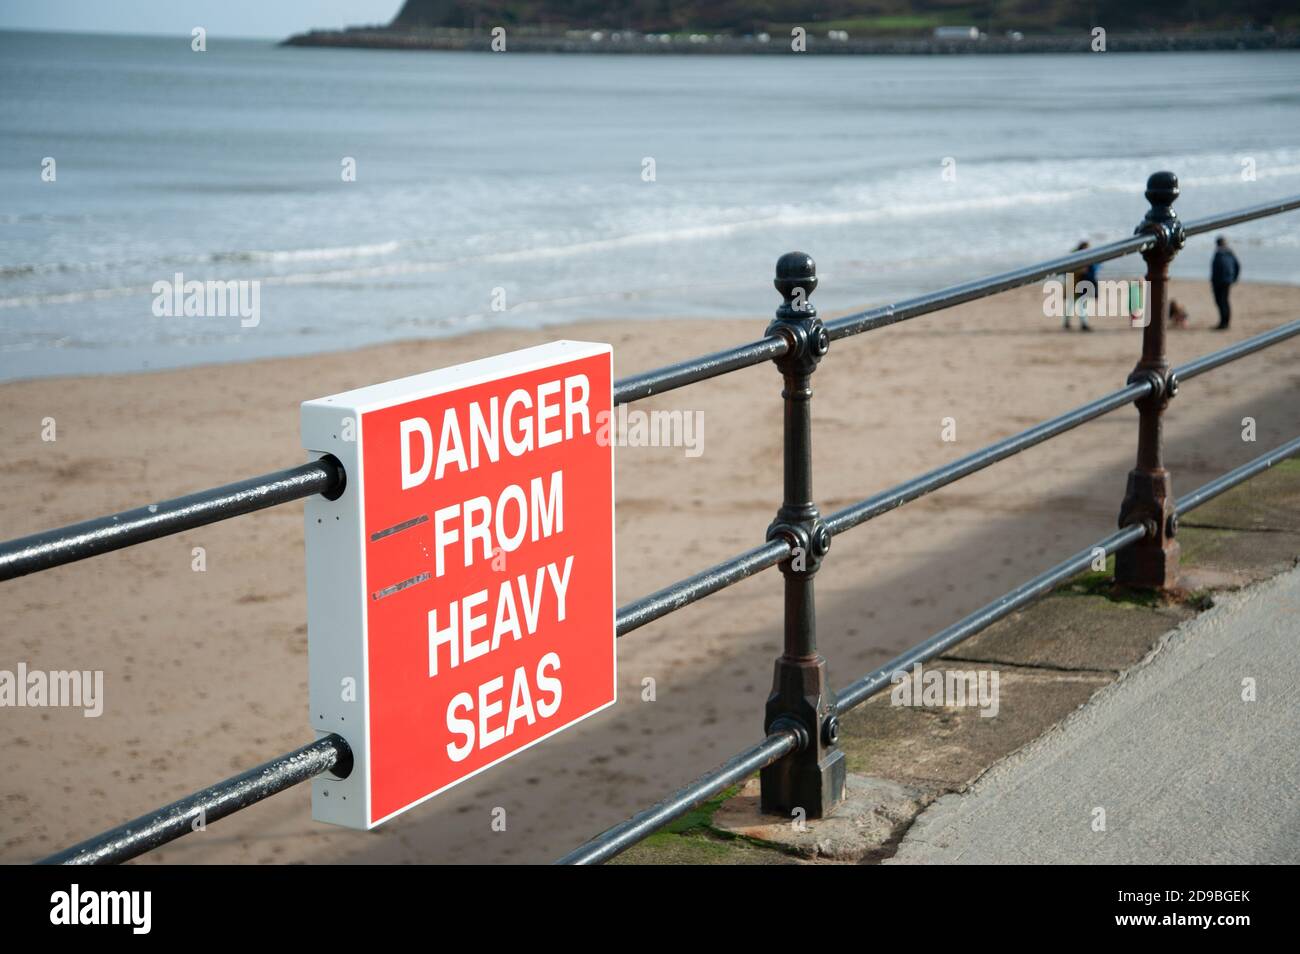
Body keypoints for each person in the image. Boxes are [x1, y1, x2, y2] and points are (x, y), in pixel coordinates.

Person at [1064, 241, 1095, 332]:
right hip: (1074, 282)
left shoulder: (1081, 256)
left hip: (1079, 283)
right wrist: (1083, 271)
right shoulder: (1076, 257)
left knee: (1080, 304)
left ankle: (1082, 323)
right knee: (1072, 304)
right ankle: (1071, 323)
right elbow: (1071, 271)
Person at [1211, 236, 1240, 330]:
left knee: (1221, 301)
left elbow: (1236, 266)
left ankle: (1224, 323)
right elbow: (1237, 265)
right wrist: (1234, 278)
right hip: (1225, 280)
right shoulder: (1229, 253)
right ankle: (1224, 322)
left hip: (1221, 281)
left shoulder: (1220, 253)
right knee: (1224, 301)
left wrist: (1234, 278)